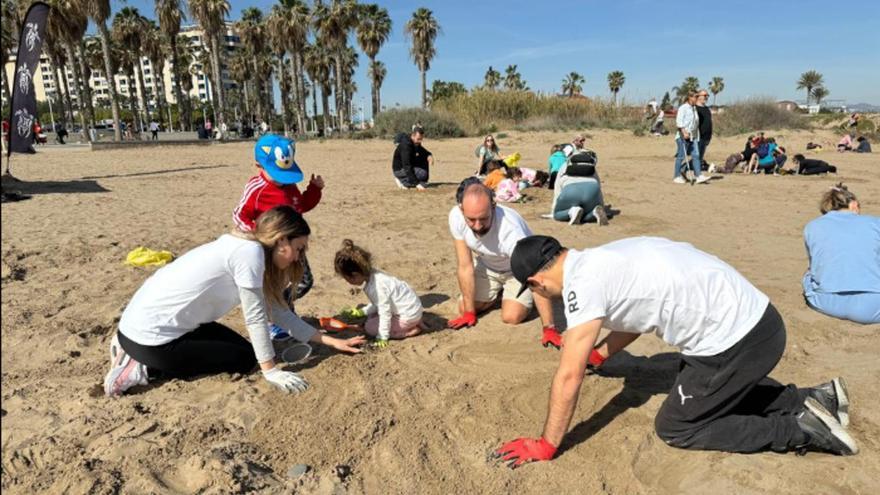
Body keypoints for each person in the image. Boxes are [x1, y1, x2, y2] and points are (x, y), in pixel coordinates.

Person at [494, 235, 859, 468]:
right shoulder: (601, 257)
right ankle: (816, 399)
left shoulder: (580, 288)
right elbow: (635, 314)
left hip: (738, 341)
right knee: (706, 390)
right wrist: (601, 353)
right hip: (760, 320)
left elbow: (568, 375)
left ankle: (800, 430)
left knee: (677, 426)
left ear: (536, 283)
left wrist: (546, 443)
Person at [103, 206, 366, 397]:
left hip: (143, 325)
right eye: (299, 249)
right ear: (281, 240)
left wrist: (331, 341)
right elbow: (254, 319)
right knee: (244, 359)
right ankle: (141, 368)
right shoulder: (249, 255)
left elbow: (279, 314)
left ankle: (134, 351)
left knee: (245, 352)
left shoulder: (246, 247)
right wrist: (271, 371)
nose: (299, 258)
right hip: (149, 339)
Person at [447, 178, 559, 346]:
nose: (477, 226)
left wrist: (549, 327)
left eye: (483, 219)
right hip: (488, 265)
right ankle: (499, 294)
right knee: (464, 307)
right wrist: (470, 313)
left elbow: (534, 274)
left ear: (493, 206)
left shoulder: (511, 231)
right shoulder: (456, 217)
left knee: (512, 316)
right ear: (462, 210)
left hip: (518, 272)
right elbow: (465, 266)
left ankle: (517, 296)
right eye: (471, 219)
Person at [233, 135, 323, 335]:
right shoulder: (257, 189)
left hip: (295, 245)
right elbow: (239, 215)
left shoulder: (289, 186)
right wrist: (255, 236)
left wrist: (314, 190)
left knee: (304, 281)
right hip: (271, 248)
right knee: (275, 282)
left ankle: (279, 309)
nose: (282, 180)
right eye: (277, 174)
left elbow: (302, 205)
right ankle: (276, 319)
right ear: (259, 165)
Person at [802, 184, 880, 325]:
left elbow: (815, 266)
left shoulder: (812, 226)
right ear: (854, 205)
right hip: (873, 305)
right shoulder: (875, 223)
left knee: (809, 274)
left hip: (825, 302)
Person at [334, 239, 424, 347]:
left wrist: (382, 336)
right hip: (410, 309)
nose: (347, 282)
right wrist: (361, 312)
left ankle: (407, 331)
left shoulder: (377, 287)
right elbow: (379, 303)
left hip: (407, 316)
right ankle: (408, 324)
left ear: (355, 275)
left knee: (370, 328)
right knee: (371, 316)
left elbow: (385, 312)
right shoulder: (374, 275)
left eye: (346, 279)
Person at [548, 149, 608, 226]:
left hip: (570, 190)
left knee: (557, 215)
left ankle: (572, 211)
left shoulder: (564, 165)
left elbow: (557, 191)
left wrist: (553, 210)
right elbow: (598, 187)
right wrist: (602, 206)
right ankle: (593, 213)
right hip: (591, 190)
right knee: (585, 214)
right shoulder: (591, 167)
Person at [673, 92, 709, 184]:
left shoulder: (694, 109)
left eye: (697, 96)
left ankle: (698, 176)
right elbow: (679, 122)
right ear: (689, 97)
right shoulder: (683, 108)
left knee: (696, 155)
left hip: (693, 137)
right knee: (681, 157)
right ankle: (676, 176)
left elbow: (695, 124)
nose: (697, 98)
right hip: (683, 136)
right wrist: (684, 132)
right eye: (695, 96)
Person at [392, 125, 432, 190]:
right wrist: (417, 184)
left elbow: (422, 150)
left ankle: (419, 181)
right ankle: (403, 181)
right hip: (400, 169)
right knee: (422, 174)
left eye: (421, 139)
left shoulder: (415, 142)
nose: (420, 141)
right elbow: (407, 166)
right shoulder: (406, 146)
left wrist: (429, 155)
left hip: (409, 166)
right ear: (413, 136)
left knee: (424, 162)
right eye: (418, 139)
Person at [695, 89, 713, 165]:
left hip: (706, 137)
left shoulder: (707, 109)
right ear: (698, 96)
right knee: (696, 156)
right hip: (698, 137)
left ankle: (698, 172)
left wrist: (709, 136)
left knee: (700, 156)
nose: (706, 97)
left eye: (707, 95)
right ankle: (685, 168)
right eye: (705, 95)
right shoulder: (695, 108)